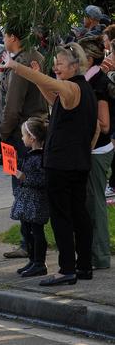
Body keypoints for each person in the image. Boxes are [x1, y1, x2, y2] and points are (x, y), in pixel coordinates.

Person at [4, 43, 98, 286]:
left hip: (62, 164)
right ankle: (83, 266)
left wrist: (17, 66)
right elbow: (56, 100)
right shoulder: (82, 90)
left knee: (62, 216)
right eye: (54, 63)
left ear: (75, 65)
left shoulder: (71, 87)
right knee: (78, 214)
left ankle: (67, 268)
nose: (55, 68)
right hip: (77, 162)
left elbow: (54, 86)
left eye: (60, 64)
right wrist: (39, 81)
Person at [0, 22, 48, 259]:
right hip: (31, 127)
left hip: (22, 132)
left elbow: (12, 106)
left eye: (5, 34)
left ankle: (28, 243)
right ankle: (30, 242)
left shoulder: (22, 62)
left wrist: (3, 132)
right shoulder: (35, 54)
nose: (3, 38)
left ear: (13, 36)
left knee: (21, 189)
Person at [78, 36, 114, 270]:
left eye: (77, 57)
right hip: (92, 150)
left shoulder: (98, 84)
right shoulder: (89, 80)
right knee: (88, 202)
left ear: (89, 59)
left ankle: (100, 254)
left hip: (97, 150)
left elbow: (104, 124)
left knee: (95, 202)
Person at [11, 117, 50, 277]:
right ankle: (33, 259)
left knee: (36, 231)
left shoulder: (40, 158)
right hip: (27, 201)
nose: (22, 138)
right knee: (26, 229)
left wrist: (23, 177)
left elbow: (42, 179)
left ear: (32, 138)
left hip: (36, 201)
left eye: (23, 135)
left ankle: (39, 262)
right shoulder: (30, 155)